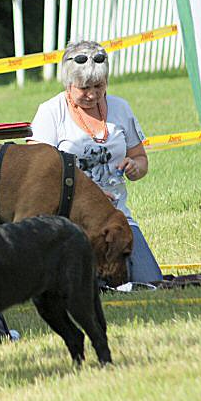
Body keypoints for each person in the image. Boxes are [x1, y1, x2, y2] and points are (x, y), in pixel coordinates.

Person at [28, 40, 163, 284]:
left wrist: (135, 167)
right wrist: (85, 194)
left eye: (99, 86)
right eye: (84, 88)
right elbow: (35, 173)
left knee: (150, 282)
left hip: (117, 218)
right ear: (68, 84)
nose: (92, 94)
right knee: (92, 287)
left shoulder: (121, 108)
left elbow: (141, 159)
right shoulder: (50, 112)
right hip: (71, 221)